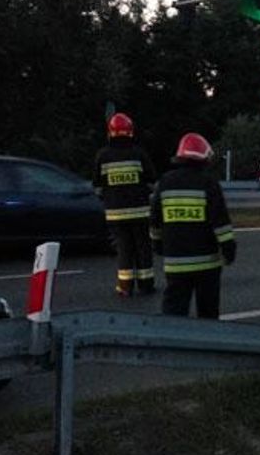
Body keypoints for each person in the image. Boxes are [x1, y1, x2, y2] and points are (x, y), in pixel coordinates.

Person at [151, 132, 236, 319]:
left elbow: (155, 220)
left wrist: (157, 245)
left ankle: (171, 345)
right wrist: (229, 250)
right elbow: (221, 224)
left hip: (175, 264)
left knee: (174, 313)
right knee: (208, 314)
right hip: (207, 264)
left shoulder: (165, 182)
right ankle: (206, 345)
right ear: (203, 159)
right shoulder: (208, 183)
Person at [93, 112, 156, 297]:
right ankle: (146, 285)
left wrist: (109, 197)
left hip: (116, 214)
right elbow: (152, 181)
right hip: (140, 212)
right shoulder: (138, 154)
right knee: (143, 248)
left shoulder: (102, 155)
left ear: (110, 132)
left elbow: (97, 187)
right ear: (130, 132)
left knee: (124, 249)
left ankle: (125, 287)